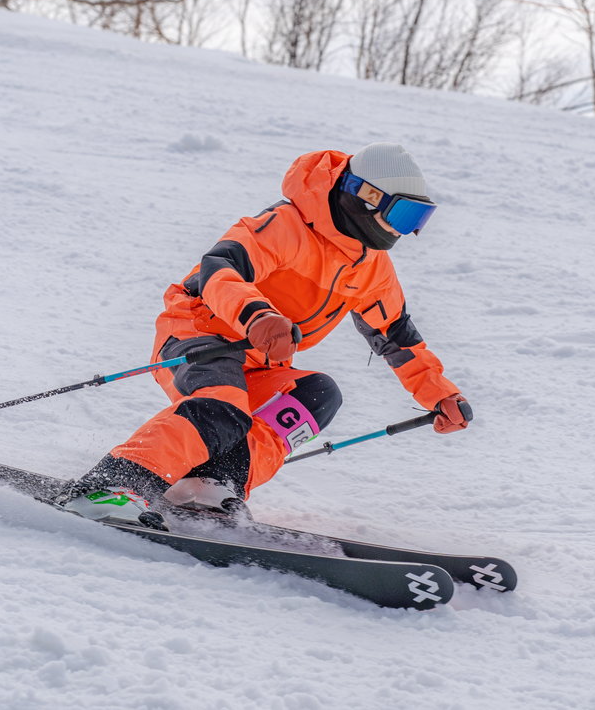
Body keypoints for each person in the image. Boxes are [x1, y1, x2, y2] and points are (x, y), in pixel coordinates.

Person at [58, 143, 470, 528]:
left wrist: (440, 395)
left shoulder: (373, 269)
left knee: (317, 394)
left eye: (419, 221)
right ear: (365, 197)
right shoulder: (286, 225)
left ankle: (209, 484)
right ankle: (108, 485)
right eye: (403, 216)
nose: (406, 232)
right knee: (222, 405)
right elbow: (219, 268)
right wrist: (257, 315)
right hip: (201, 331)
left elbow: (399, 339)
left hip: (261, 359)